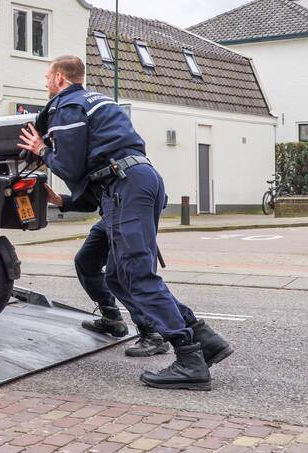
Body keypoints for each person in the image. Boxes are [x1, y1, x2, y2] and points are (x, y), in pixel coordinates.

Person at [18, 55, 232, 390]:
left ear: (60, 77)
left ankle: (190, 359)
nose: (46, 84)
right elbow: (92, 177)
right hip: (132, 181)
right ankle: (205, 338)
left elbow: (71, 168)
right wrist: (61, 201)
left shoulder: (67, 105)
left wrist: (43, 150)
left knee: (135, 274)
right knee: (118, 276)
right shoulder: (97, 101)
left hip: (125, 186)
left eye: (47, 77)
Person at [44, 185, 168, 357]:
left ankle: (152, 333)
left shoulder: (128, 165)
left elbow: (159, 196)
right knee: (86, 261)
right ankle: (111, 318)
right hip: (108, 218)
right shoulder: (96, 165)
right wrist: (59, 200)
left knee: (121, 274)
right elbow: (91, 201)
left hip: (128, 216)